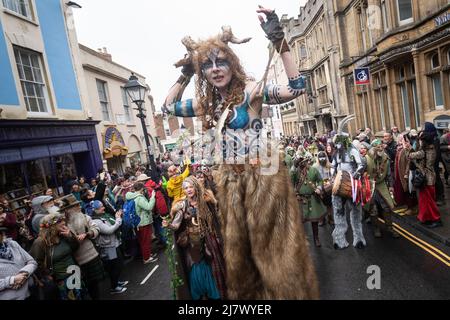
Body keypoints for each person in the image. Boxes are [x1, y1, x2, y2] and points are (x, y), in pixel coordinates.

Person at [161, 6, 318, 299]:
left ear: (231, 63)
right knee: (240, 257)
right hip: (229, 183)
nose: (215, 68)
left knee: (274, 254)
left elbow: (297, 88)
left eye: (220, 61)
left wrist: (279, 39)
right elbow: (168, 107)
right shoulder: (205, 105)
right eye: (207, 65)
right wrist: (185, 73)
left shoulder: (250, 92)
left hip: (263, 179)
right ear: (203, 72)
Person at [163, 176, 225, 300]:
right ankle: (200, 294)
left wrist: (217, 236)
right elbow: (176, 225)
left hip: (208, 240)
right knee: (196, 268)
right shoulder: (182, 205)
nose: (189, 190)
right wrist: (168, 225)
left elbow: (215, 220)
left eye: (191, 187)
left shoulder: (205, 201)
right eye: (186, 188)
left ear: (196, 187)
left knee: (213, 265)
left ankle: (215, 292)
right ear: (183, 190)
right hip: (192, 243)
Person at [58, 194, 104, 300]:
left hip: (92, 256)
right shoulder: (63, 225)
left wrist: (88, 234)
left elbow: (96, 228)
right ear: (67, 210)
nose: (79, 207)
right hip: (77, 261)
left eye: (78, 204)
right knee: (82, 289)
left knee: (95, 285)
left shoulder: (84, 217)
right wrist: (71, 236)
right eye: (76, 206)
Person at [29, 213, 84, 300]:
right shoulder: (40, 242)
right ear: (52, 226)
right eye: (60, 222)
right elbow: (35, 262)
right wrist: (48, 275)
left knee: (80, 296)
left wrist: (70, 236)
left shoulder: (63, 234)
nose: (63, 223)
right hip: (60, 280)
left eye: (63, 221)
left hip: (75, 274)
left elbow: (75, 248)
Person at [331, 115, 366, 250]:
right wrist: (333, 178)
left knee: (356, 212)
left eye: (340, 142)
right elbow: (333, 167)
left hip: (352, 186)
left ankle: (358, 239)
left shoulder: (353, 151)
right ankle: (339, 239)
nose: (338, 145)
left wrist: (355, 177)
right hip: (339, 186)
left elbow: (361, 166)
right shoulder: (336, 154)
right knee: (338, 212)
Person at [407, 123, 442, 228]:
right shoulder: (425, 148)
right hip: (424, 177)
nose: (420, 141)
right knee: (423, 200)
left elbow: (417, 157)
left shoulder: (429, 149)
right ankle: (426, 218)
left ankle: (436, 219)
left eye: (421, 140)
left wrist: (409, 151)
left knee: (429, 201)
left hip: (428, 178)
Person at [90, 200, 128, 294]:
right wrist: (118, 219)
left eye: (103, 206)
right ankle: (114, 287)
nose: (103, 208)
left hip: (113, 244)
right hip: (108, 247)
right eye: (101, 207)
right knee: (115, 266)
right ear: (95, 210)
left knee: (118, 264)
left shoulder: (102, 216)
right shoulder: (96, 221)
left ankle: (116, 282)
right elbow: (109, 230)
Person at [365, 140, 400, 238]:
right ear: (373, 148)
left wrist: (391, 186)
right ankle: (376, 229)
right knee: (373, 209)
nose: (381, 148)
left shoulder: (386, 159)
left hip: (381, 184)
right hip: (370, 186)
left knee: (387, 207)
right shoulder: (366, 159)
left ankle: (390, 228)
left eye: (381, 146)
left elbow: (388, 174)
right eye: (378, 147)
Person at [294, 152, 326, 247]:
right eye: (301, 163)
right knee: (299, 221)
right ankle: (302, 239)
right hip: (300, 199)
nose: (303, 164)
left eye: (305, 162)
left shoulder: (313, 170)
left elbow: (320, 180)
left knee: (314, 221)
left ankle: (316, 238)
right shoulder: (296, 172)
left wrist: (319, 188)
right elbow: (291, 182)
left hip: (312, 198)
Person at [0, 226, 37, 300]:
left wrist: (24, 273)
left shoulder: (13, 244)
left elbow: (32, 262)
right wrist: (12, 280)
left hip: (28, 293)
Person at [125, 182, 157, 264]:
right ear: (142, 189)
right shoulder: (139, 198)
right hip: (143, 222)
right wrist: (153, 197)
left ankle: (148, 255)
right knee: (145, 241)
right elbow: (149, 207)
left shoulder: (131, 197)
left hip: (137, 223)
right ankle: (146, 258)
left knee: (142, 241)